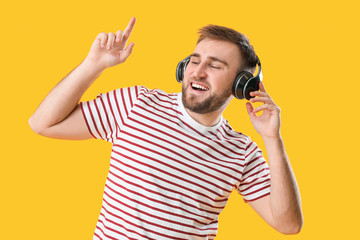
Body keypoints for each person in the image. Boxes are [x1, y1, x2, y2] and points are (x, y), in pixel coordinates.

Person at [29, 17, 303, 239]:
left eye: (215, 65)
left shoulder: (241, 151)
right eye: (194, 60)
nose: (198, 71)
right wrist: (93, 65)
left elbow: (288, 224)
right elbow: (42, 124)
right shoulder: (135, 104)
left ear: (241, 84)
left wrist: (272, 138)